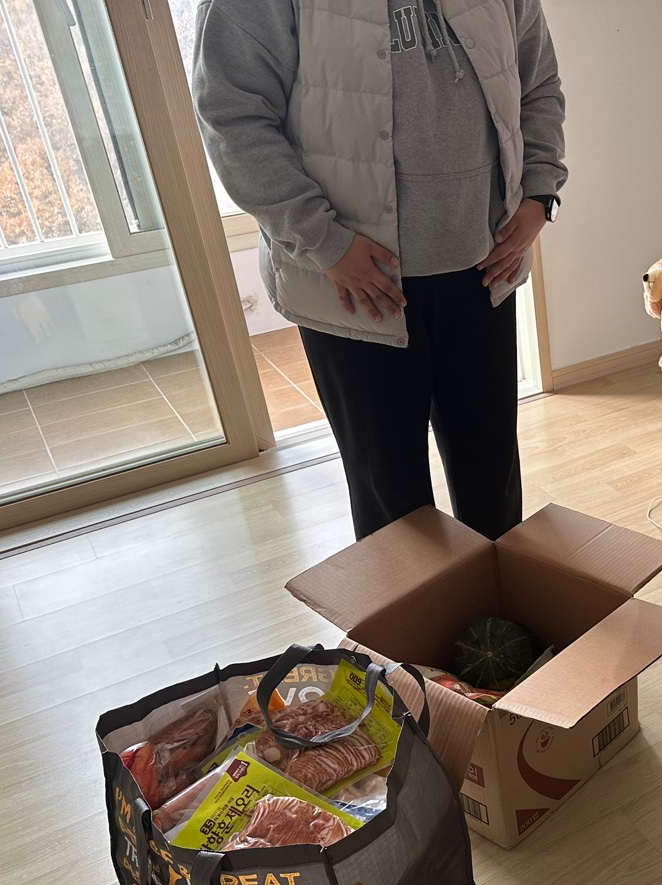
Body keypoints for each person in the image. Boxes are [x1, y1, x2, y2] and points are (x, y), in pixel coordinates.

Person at [193, 0, 567, 541]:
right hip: (352, 283)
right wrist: (323, 241)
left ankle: (496, 599)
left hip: (485, 269)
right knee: (391, 506)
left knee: (493, 483)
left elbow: (538, 83)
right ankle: (412, 603)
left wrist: (539, 193)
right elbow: (231, 117)